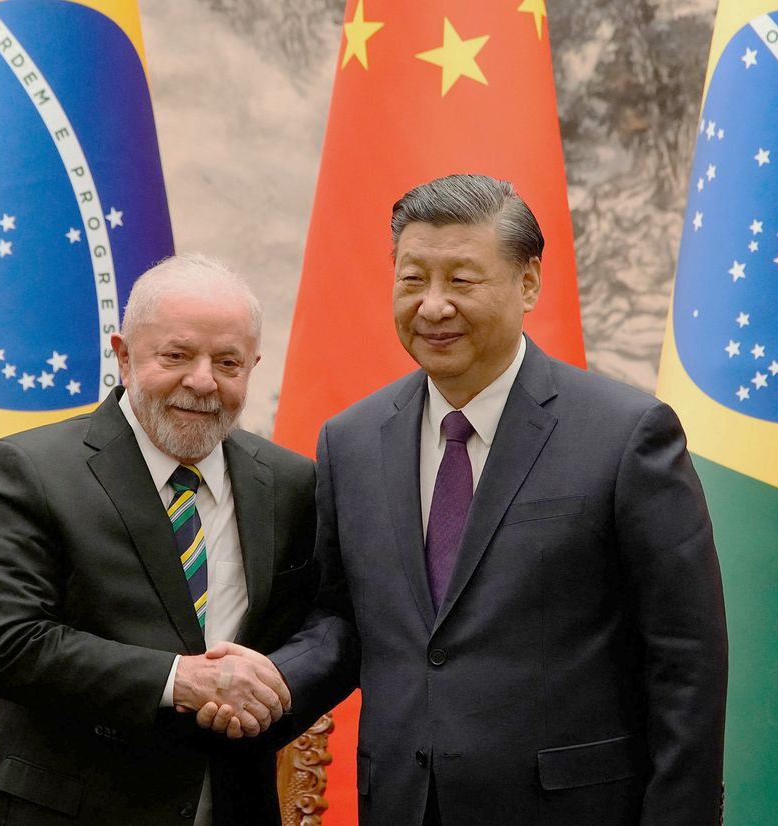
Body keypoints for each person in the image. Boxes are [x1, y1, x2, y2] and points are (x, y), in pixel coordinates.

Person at [211, 174, 728, 824]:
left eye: (461, 280)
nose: (432, 306)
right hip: (400, 803)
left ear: (529, 283)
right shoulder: (351, 441)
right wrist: (275, 680)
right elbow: (341, 619)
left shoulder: (626, 435)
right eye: (412, 279)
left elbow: (686, 659)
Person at [0, 253, 317, 825]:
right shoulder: (29, 469)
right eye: (176, 355)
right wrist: (180, 681)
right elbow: (10, 644)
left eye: (228, 362)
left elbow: (327, 625)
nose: (202, 381)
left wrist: (272, 687)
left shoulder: (293, 484)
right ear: (123, 356)